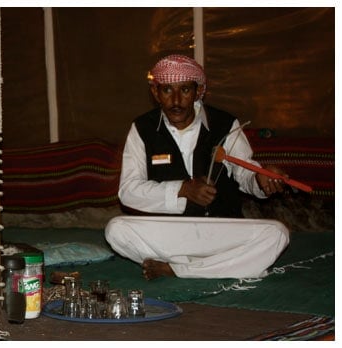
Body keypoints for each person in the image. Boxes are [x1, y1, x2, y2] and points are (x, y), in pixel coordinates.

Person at [104, 54, 290, 280]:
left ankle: (178, 269)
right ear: (155, 93)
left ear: (197, 91)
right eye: (167, 90)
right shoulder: (142, 128)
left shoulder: (225, 124)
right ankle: (218, 266)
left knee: (277, 234)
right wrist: (182, 189)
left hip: (222, 229)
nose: (175, 101)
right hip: (174, 234)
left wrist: (260, 179)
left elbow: (245, 171)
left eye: (184, 90)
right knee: (115, 230)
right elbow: (129, 192)